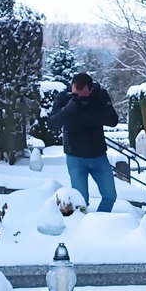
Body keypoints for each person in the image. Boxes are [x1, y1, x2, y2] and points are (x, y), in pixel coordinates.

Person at [48, 72, 118, 212]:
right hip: (75, 157)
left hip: (98, 156)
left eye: (82, 95)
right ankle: (81, 223)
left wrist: (90, 112)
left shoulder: (99, 95)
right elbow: (52, 124)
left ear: (90, 90)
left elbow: (113, 120)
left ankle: (100, 220)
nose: (78, 98)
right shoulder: (64, 98)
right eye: (75, 94)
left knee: (110, 196)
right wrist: (69, 109)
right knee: (81, 201)